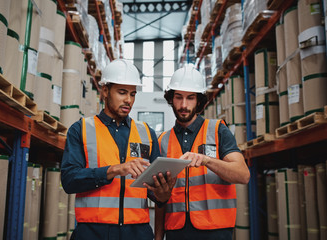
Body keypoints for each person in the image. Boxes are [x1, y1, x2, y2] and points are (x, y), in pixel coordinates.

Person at [61, 59, 176, 240]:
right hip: (93, 232)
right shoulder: (81, 129)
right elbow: (69, 180)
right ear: (105, 91)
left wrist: (163, 194)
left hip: (137, 232)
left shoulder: (147, 133)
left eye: (132, 94)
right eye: (122, 92)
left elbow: (154, 192)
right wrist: (115, 169)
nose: (128, 100)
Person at [155, 65, 250, 240]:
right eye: (178, 97)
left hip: (216, 231)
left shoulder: (218, 130)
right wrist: (158, 236)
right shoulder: (162, 141)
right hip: (176, 231)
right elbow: (160, 199)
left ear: (199, 100)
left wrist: (207, 160)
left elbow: (243, 175)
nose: (184, 105)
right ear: (171, 99)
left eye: (190, 98)